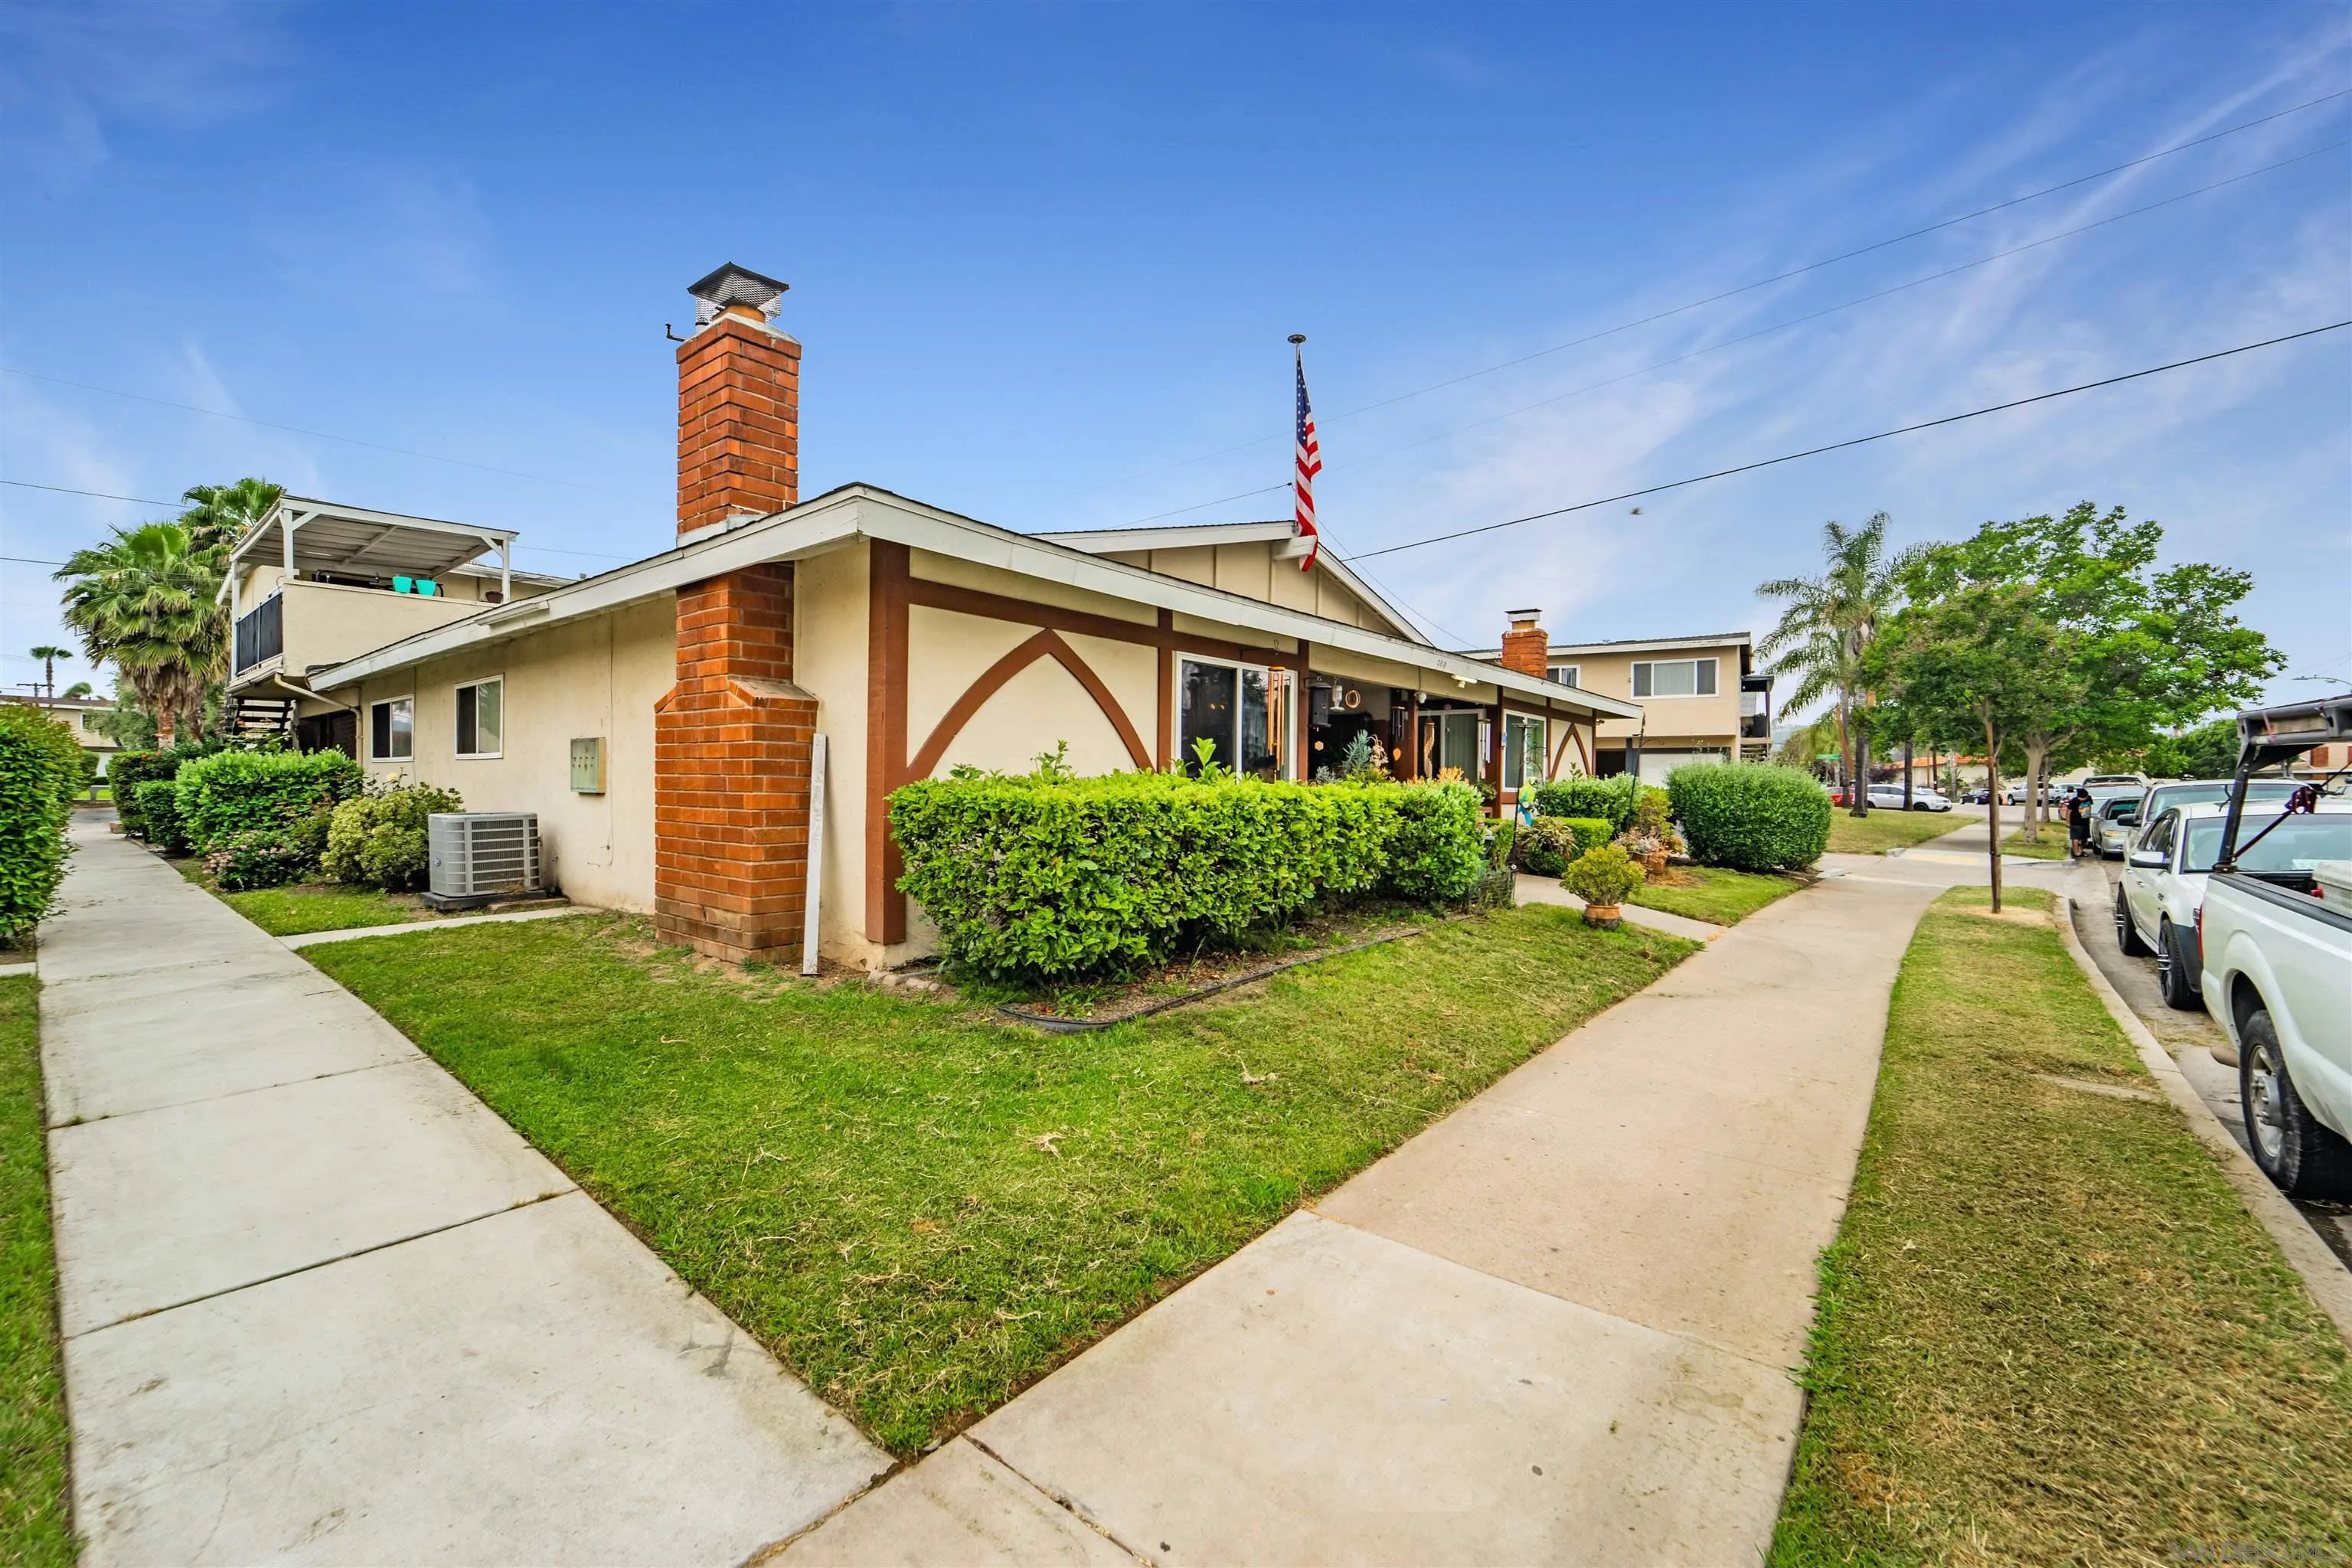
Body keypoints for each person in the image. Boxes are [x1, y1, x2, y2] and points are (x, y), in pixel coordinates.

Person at [2066, 785, 2095, 859]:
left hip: (2085, 821)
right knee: (2076, 837)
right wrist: (2068, 822)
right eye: (2080, 798)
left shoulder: (2089, 799)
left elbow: (2089, 808)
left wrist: (2089, 818)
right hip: (2075, 822)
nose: (2082, 799)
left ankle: (2081, 850)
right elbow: (2069, 811)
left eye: (2083, 798)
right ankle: (2076, 852)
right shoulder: (2074, 801)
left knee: (2085, 838)